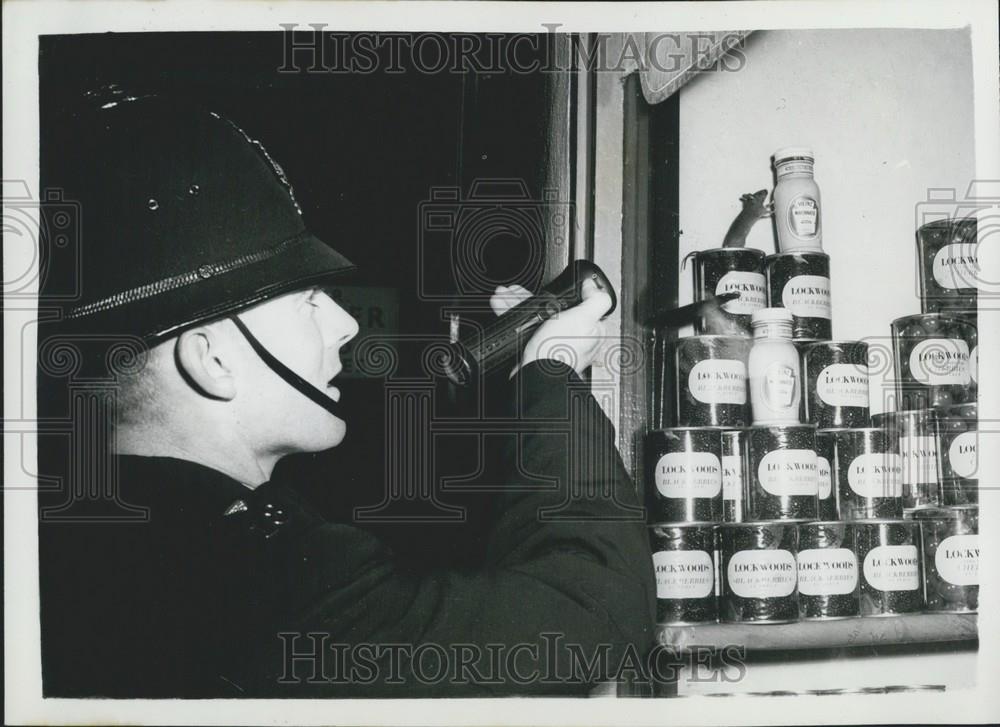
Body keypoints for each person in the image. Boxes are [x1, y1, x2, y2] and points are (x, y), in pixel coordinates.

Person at [38, 94, 655, 697]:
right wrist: (550, 370)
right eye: (309, 301)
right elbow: (596, 618)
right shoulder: (273, 586)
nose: (346, 324)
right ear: (213, 360)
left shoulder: (97, 556)